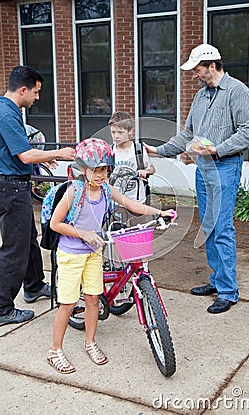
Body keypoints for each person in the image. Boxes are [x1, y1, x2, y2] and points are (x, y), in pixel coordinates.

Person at [144, 43, 249, 314]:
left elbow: (247, 131)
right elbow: (187, 135)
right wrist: (158, 151)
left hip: (225, 166)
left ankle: (228, 292)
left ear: (212, 65)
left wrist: (216, 149)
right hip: (203, 168)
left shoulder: (238, 92)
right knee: (208, 226)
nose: (194, 75)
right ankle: (217, 281)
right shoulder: (200, 96)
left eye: (197, 70)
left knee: (222, 228)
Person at [47, 138, 175, 374]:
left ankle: (90, 343)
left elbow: (131, 204)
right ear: (83, 169)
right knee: (67, 304)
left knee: (94, 298)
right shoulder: (74, 192)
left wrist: (160, 212)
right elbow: (55, 224)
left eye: (105, 169)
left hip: (94, 253)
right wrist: (83, 233)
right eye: (96, 170)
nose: (101, 174)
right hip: (71, 255)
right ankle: (55, 351)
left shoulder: (106, 189)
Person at [0, 65, 75, 327]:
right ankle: (1, 308)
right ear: (23, 89)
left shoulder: (5, 109)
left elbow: (17, 152)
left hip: (13, 184)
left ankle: (33, 285)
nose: (37, 98)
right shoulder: (6, 114)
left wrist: (39, 162)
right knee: (14, 249)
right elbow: (25, 154)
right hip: (10, 188)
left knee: (28, 240)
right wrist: (58, 153)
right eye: (36, 92)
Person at [108, 111, 155, 226]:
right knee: (118, 233)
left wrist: (145, 171)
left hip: (137, 200)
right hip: (117, 202)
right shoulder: (110, 151)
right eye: (113, 132)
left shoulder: (138, 149)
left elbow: (152, 169)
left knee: (137, 232)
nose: (116, 136)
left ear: (130, 131)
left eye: (120, 132)